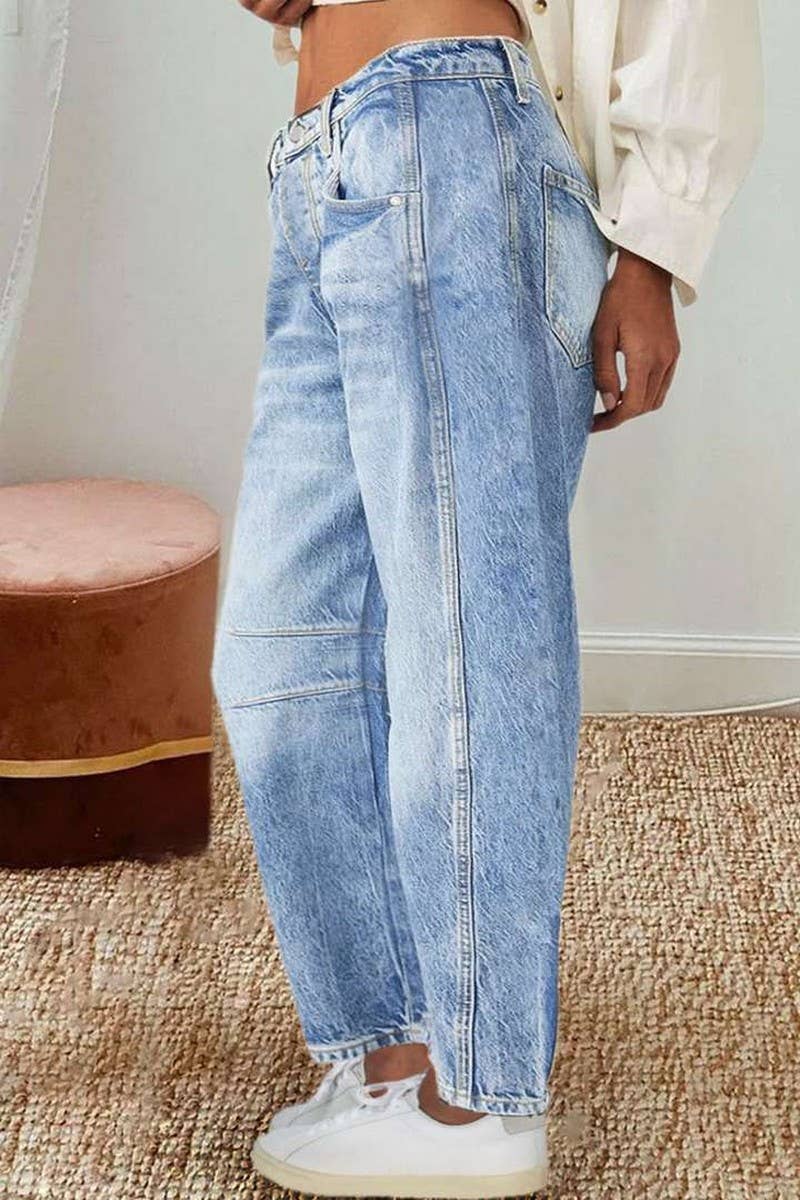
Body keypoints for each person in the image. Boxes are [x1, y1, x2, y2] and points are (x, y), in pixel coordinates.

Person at [212, 0, 763, 1194]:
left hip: (450, 129)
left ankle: (479, 1099)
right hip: (320, 173)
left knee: (468, 637)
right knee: (284, 650)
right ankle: (395, 1061)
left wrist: (652, 251)